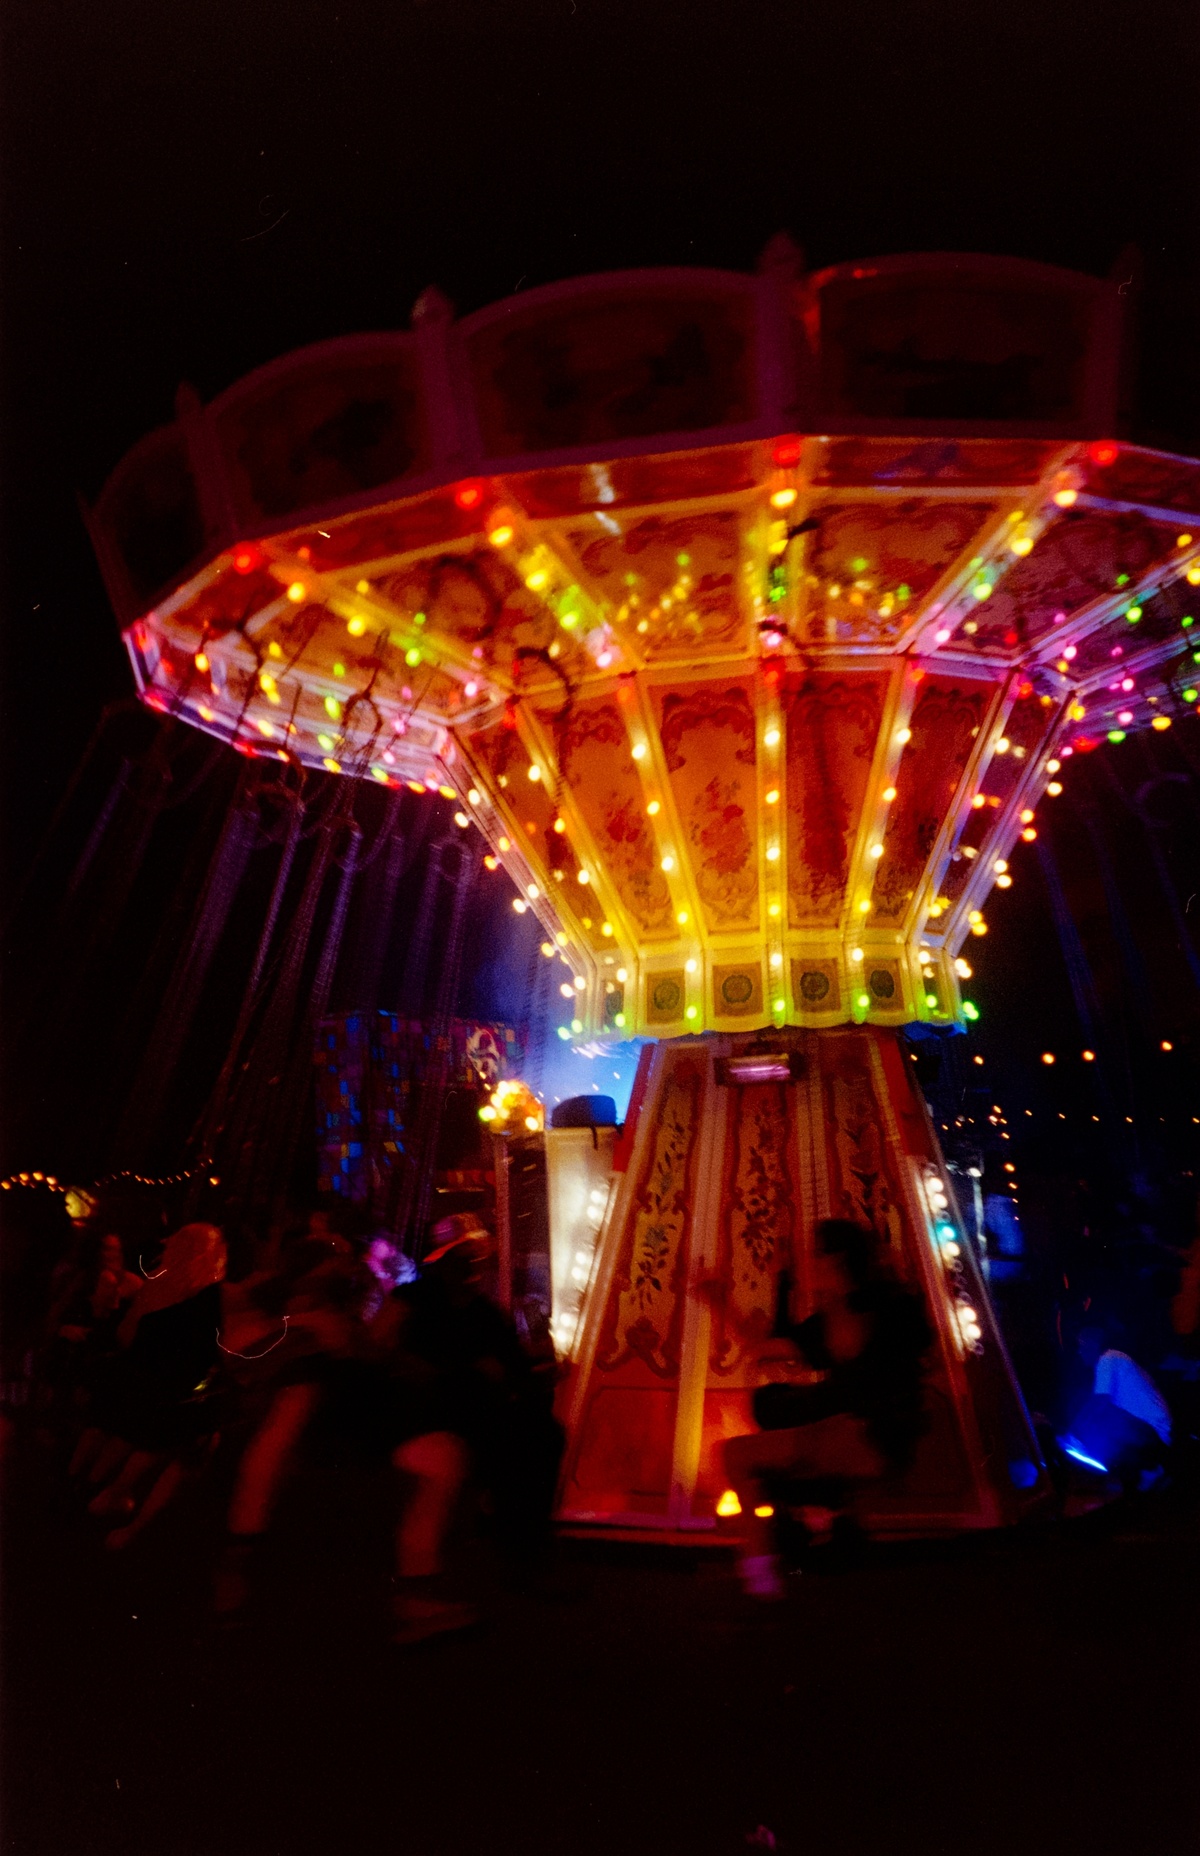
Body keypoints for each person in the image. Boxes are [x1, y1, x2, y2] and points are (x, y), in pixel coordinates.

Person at [715, 1219, 933, 1600]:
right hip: (874, 1434)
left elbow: (841, 1348)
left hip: (864, 1434)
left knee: (736, 1454)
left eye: (816, 1254)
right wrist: (743, 1295)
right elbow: (772, 1348)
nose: (811, 1262)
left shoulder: (860, 1311)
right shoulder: (869, 1306)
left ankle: (761, 1575)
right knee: (769, 1421)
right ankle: (818, 1528)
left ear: (837, 1259)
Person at [372, 1214, 564, 1645]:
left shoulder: (484, 1312)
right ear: (443, 1261)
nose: (473, 1264)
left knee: (542, 1434)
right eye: (462, 1256)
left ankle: (523, 1554)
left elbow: (513, 1365)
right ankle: (429, 1589)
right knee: (466, 1450)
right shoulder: (412, 1301)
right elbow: (377, 1350)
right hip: (427, 1411)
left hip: (479, 1411)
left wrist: (537, 1372)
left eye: (475, 1255)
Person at [68, 1221, 227, 1547]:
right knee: (138, 1438)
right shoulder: (208, 1294)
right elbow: (206, 1349)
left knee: (104, 1428)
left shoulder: (156, 1282)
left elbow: (127, 1332)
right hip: (164, 1385)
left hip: (130, 1370)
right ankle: (99, 1496)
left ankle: (74, 1483)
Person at [1067, 1325, 1171, 1490]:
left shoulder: (1108, 1359)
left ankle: (1150, 1468)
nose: (1079, 1352)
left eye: (1081, 1346)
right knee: (1104, 1419)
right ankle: (1144, 1470)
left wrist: (1073, 1433)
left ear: (1092, 1344)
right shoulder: (1114, 1359)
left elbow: (1099, 1403)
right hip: (1154, 1430)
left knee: (1102, 1418)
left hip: (1154, 1432)